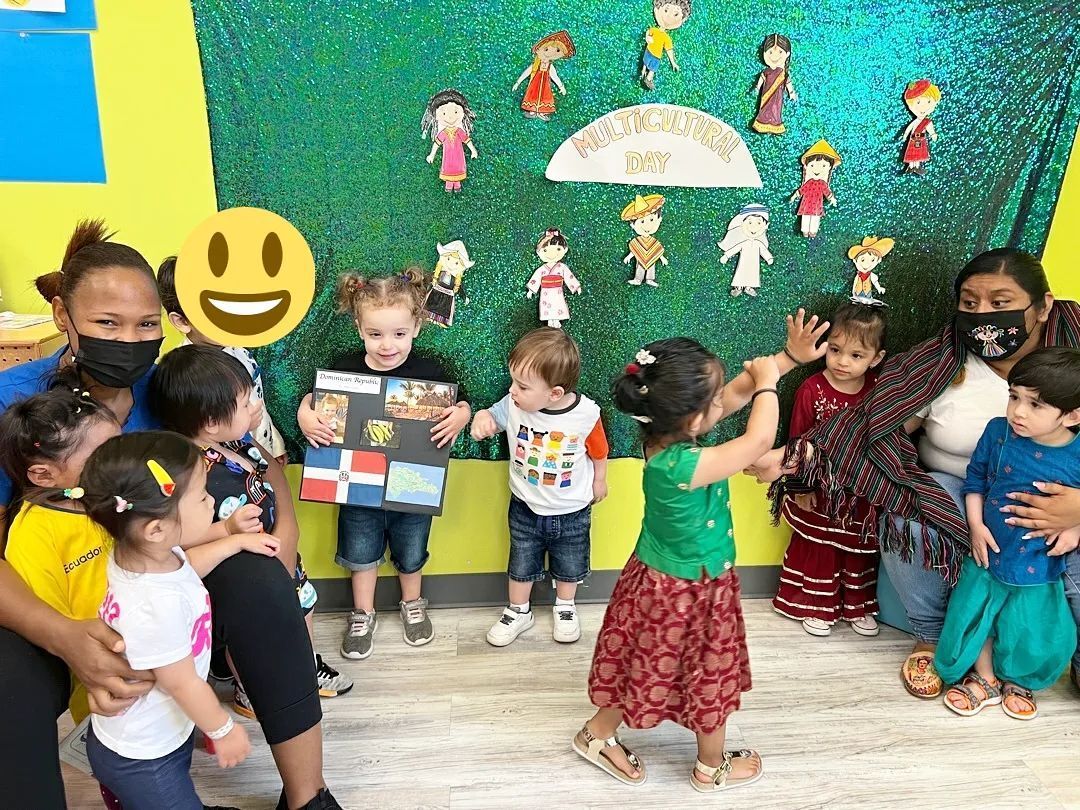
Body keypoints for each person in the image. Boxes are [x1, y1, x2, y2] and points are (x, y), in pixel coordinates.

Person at [0, 219, 338, 810]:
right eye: (107, 323)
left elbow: (250, 457)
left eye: (146, 324)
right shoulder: (17, 402)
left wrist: (278, 534)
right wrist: (68, 639)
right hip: (54, 597)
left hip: (161, 577)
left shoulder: (177, 389)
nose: (129, 340)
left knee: (263, 584)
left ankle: (309, 797)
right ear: (63, 315)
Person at [747, 249, 1080, 702]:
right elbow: (870, 421)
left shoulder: (1073, 358)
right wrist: (795, 455)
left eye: (1001, 303)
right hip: (963, 494)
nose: (983, 315)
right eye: (969, 303)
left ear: (1042, 306)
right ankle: (936, 638)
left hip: (1062, 503)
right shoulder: (939, 362)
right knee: (909, 507)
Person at [575, 338, 779, 792]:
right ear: (693, 417)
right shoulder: (682, 465)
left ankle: (596, 734)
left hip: (660, 585)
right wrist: (770, 384)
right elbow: (760, 439)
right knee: (711, 675)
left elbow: (736, 396)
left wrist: (783, 360)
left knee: (642, 666)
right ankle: (711, 769)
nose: (721, 401)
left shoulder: (664, 437)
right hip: (693, 592)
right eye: (713, 398)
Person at [151, 345, 354, 711]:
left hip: (279, 554)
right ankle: (251, 689)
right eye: (245, 404)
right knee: (255, 637)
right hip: (245, 575)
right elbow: (179, 539)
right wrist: (228, 529)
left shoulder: (236, 443)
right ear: (211, 421)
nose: (255, 409)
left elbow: (268, 478)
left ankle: (303, 670)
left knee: (301, 610)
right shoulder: (190, 471)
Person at [79, 432, 276, 809]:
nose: (212, 500)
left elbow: (187, 572)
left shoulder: (147, 556)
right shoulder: (153, 604)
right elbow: (182, 683)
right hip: (144, 755)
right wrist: (222, 727)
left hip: (156, 730)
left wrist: (234, 541)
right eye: (202, 497)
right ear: (156, 528)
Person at [298, 268, 471, 660]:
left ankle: (413, 603)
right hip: (358, 488)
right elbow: (314, 401)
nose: (387, 345)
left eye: (398, 334)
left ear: (417, 328)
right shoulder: (343, 370)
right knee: (360, 552)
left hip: (412, 487)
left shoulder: (430, 373)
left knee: (412, 551)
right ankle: (363, 613)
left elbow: (461, 402)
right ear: (359, 327)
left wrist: (461, 413)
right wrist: (304, 413)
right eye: (375, 334)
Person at [936, 348, 1080, 719]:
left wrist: (1075, 529)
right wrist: (976, 526)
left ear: (1073, 414)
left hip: (1038, 561)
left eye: (1036, 405)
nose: (1018, 411)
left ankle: (1020, 680)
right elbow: (976, 480)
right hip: (989, 549)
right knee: (977, 613)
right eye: (1014, 396)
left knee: (1028, 625)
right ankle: (984, 679)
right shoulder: (998, 433)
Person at [471, 328, 608, 646]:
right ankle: (518, 611)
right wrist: (482, 419)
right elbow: (491, 415)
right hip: (524, 506)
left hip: (572, 509)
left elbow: (599, 449)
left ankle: (565, 606)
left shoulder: (585, 415)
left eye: (522, 385)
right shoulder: (513, 404)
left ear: (554, 393)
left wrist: (600, 479)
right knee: (521, 560)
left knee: (570, 563)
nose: (513, 390)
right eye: (513, 382)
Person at [772, 303, 886, 636]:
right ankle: (817, 605)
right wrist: (801, 487)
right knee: (819, 544)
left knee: (858, 548)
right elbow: (797, 442)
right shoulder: (812, 390)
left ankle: (857, 605)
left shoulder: (877, 391)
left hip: (859, 492)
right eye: (835, 350)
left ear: (875, 359)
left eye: (856, 355)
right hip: (819, 490)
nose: (841, 361)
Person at [157, 256, 287, 463]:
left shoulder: (240, 350)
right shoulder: (187, 376)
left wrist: (274, 445)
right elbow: (202, 436)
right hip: (239, 462)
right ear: (181, 321)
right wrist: (247, 428)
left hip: (264, 453)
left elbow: (257, 401)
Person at [640, 0, 691, 91]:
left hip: (656, 56)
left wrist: (673, 62)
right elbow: (649, 32)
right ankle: (643, 72)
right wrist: (647, 37)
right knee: (645, 63)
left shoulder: (666, 38)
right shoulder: (654, 30)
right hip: (649, 51)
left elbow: (669, 49)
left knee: (652, 69)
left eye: (675, 14)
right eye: (666, 10)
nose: (668, 17)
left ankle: (648, 79)